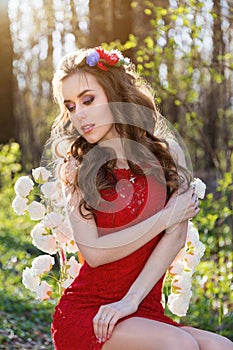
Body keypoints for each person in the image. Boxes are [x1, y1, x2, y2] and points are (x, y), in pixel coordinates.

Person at [50, 47, 233, 350]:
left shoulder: (166, 154)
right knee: (180, 346)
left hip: (140, 306)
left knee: (221, 347)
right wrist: (165, 216)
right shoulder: (77, 167)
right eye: (70, 106)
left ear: (115, 94)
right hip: (88, 312)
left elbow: (175, 236)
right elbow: (94, 253)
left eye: (88, 99)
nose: (79, 114)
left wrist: (130, 302)